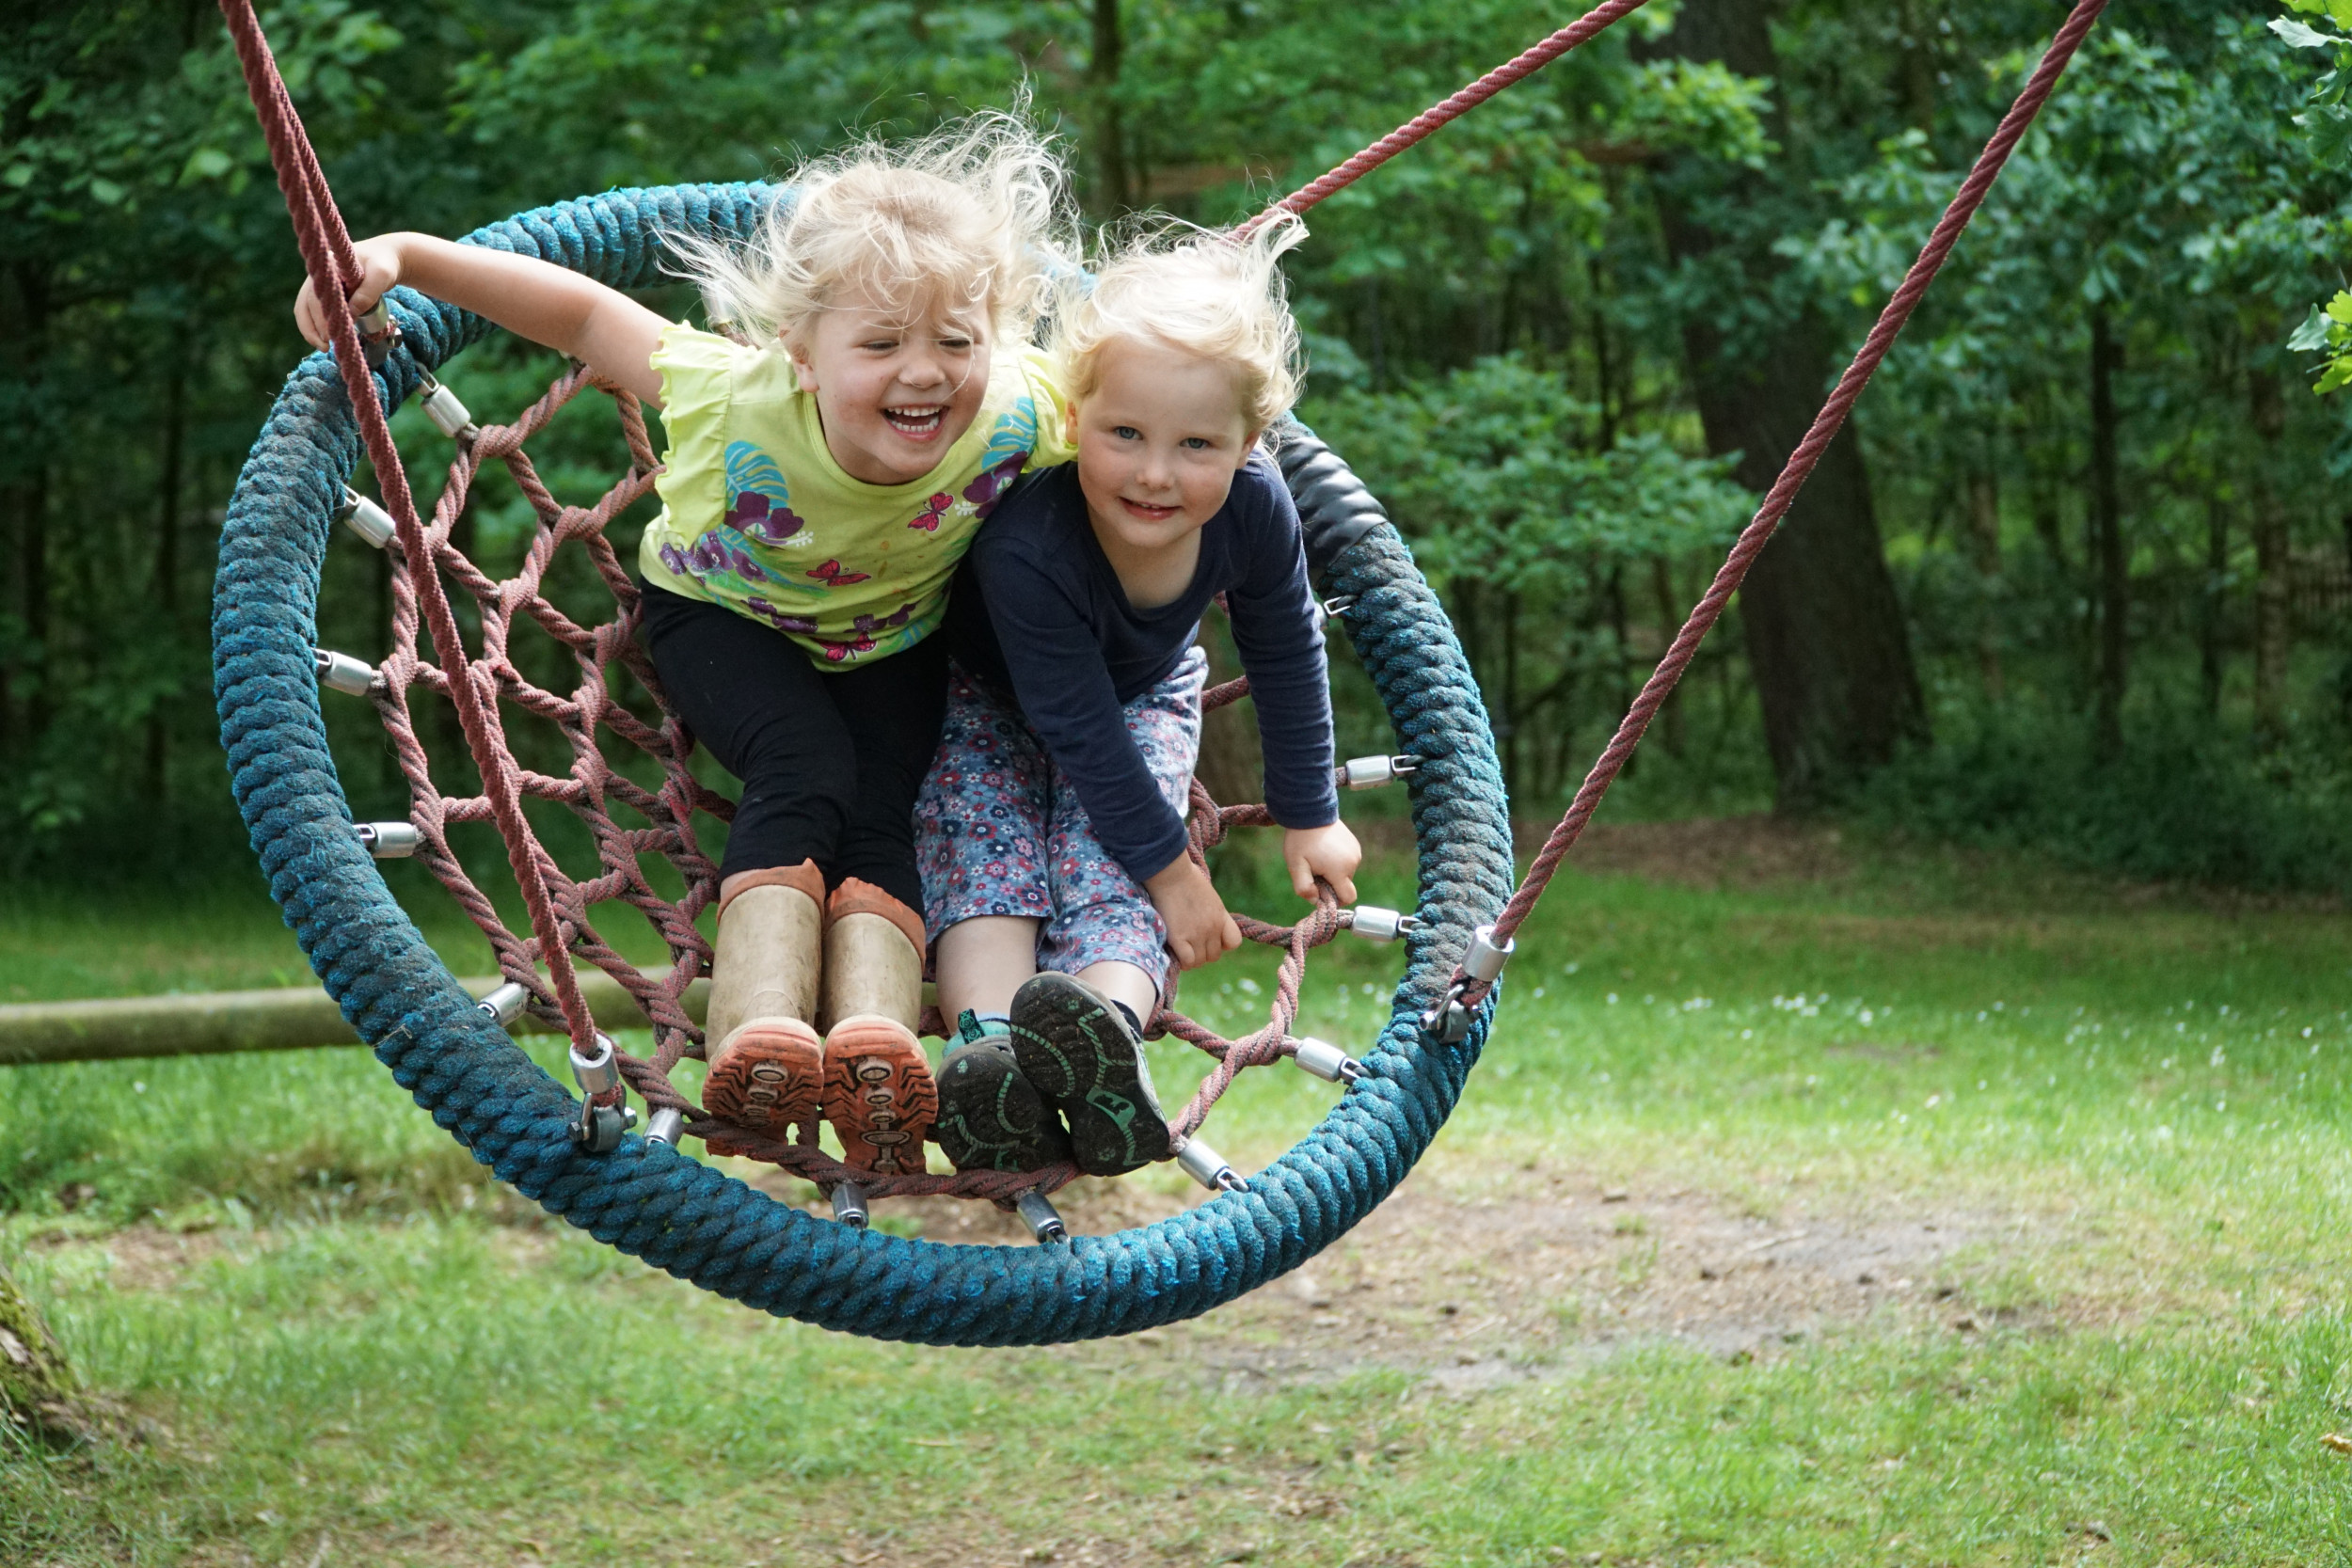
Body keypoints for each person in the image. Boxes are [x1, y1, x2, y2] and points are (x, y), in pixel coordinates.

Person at [294, 116, 1079, 1174]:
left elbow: (1149, 417)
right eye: (882, 342)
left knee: (886, 800)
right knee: (807, 768)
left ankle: (876, 1045)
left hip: (895, 636)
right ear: (800, 351)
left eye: (954, 339)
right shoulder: (733, 394)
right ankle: (755, 1028)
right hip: (724, 616)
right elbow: (577, 310)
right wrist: (406, 257)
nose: (925, 373)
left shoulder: (1025, 410)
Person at [917, 214, 1363, 1178]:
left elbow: (1285, 648)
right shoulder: (1027, 547)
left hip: (1147, 692)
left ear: (1249, 441)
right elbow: (1072, 723)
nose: (1157, 473)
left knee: (1107, 867)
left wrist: (1308, 814)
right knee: (982, 843)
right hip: (992, 700)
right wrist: (1180, 876)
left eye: (1197, 443)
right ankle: (991, 1053)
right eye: (1125, 434)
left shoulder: (1254, 504)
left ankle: (1100, 1043)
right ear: (1075, 420)